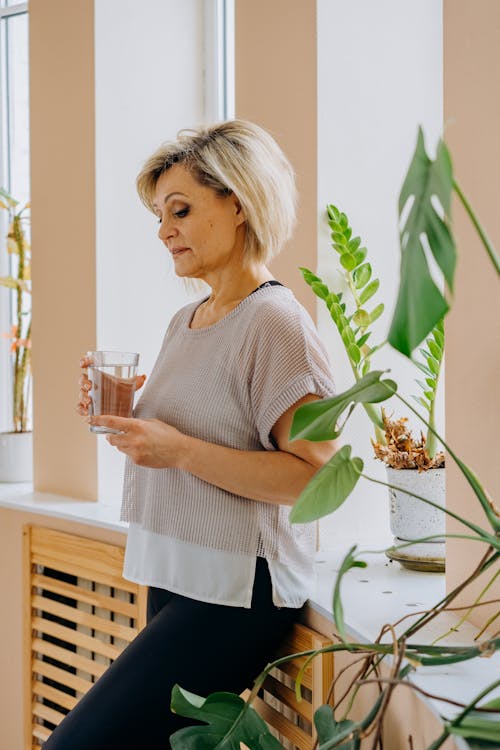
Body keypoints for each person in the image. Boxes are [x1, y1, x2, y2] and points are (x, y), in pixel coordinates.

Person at [46, 120, 337, 748]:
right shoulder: (189, 318)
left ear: (238, 203)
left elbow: (316, 477)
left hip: (236, 592)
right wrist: (128, 417)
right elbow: (193, 429)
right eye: (159, 215)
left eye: (180, 210)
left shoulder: (275, 322)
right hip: (177, 571)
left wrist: (176, 448)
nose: (164, 231)